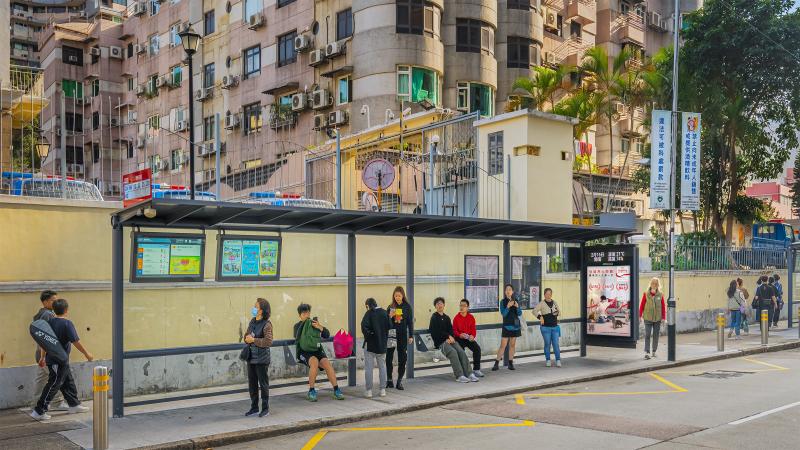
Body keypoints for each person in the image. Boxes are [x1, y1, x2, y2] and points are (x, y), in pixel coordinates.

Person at [31, 299, 93, 421]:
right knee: (54, 384)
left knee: (68, 381)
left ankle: (74, 405)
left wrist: (43, 357)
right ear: (66, 310)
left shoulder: (49, 323)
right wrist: (87, 354)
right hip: (58, 361)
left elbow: (44, 343)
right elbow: (76, 341)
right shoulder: (67, 324)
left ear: (53, 310)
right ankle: (39, 411)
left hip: (57, 360)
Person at [293, 304, 344, 402]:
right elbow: (297, 336)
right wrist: (306, 326)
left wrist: (320, 327)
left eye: (307, 313)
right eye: (303, 313)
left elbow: (326, 334)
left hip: (317, 350)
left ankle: (336, 389)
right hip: (304, 351)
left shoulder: (314, 323)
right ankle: (311, 390)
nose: (306, 315)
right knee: (314, 362)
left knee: (327, 363)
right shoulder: (297, 326)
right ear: (300, 315)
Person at [32, 290, 67, 411]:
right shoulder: (48, 315)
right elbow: (49, 336)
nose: (56, 302)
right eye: (53, 300)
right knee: (56, 378)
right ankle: (57, 402)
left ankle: (35, 403)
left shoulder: (41, 313)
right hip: (48, 353)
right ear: (45, 302)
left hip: (40, 351)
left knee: (41, 379)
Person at [429, 297, 477, 383]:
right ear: (435, 306)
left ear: (444, 305)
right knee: (453, 352)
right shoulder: (434, 317)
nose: (440, 305)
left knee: (461, 351)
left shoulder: (446, 317)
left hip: (451, 340)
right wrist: (447, 337)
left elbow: (451, 330)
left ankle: (469, 373)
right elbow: (435, 332)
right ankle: (459, 375)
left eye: (441, 303)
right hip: (441, 343)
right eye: (437, 304)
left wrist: (451, 337)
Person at [244, 298, 273, 417]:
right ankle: (254, 407)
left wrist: (253, 340)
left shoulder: (267, 324)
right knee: (252, 384)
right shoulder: (252, 321)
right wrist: (246, 338)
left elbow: (268, 341)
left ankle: (265, 409)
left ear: (261, 310)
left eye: (256, 307)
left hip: (262, 359)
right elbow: (247, 335)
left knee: (263, 384)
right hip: (251, 357)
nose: (254, 308)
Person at [386, 286, 413, 390]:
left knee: (403, 358)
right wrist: (390, 316)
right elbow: (386, 322)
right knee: (389, 356)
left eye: (399, 296)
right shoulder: (391, 306)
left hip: (402, 334)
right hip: (392, 333)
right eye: (395, 296)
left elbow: (410, 322)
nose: (397, 297)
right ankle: (389, 380)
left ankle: (399, 381)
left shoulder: (407, 307)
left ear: (403, 296)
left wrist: (411, 335)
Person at [361, 297, 389, 398]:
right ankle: (382, 390)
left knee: (369, 368)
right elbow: (390, 326)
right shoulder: (384, 312)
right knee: (382, 367)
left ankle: (369, 391)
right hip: (382, 344)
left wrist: (370, 335)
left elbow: (363, 327)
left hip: (370, 345)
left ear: (367, 305)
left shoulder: (369, 313)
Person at [492, 284, 522, 371]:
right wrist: (508, 306)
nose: (508, 291)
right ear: (505, 292)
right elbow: (504, 314)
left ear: (512, 291)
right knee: (503, 345)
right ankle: (496, 363)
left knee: (512, 345)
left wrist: (517, 307)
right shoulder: (502, 302)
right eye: (506, 290)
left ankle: (510, 363)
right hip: (506, 326)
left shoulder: (516, 300)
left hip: (515, 326)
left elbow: (519, 313)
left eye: (510, 289)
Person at [452, 298, 483, 378]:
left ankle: (476, 369)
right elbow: (454, 331)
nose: (461, 307)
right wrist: (460, 335)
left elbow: (473, 329)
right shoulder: (456, 318)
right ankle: (463, 371)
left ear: (468, 307)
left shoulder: (471, 317)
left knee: (477, 349)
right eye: (460, 305)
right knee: (461, 352)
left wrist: (472, 336)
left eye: (464, 306)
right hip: (459, 338)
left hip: (468, 338)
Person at [533, 288, 561, 367]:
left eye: (550, 294)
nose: (548, 295)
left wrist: (556, 313)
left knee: (556, 344)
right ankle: (548, 360)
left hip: (555, 327)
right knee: (547, 344)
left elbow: (559, 312)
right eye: (547, 294)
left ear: (551, 294)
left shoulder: (554, 302)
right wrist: (540, 317)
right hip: (545, 328)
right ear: (544, 294)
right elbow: (534, 311)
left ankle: (558, 360)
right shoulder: (541, 303)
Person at [639, 277, 665, 360]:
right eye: (653, 283)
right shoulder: (646, 294)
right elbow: (642, 305)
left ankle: (654, 351)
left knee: (656, 335)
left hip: (657, 318)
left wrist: (663, 317)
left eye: (656, 284)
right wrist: (639, 316)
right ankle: (647, 352)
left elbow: (663, 307)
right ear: (650, 284)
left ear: (658, 285)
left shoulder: (660, 295)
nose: (654, 285)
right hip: (648, 317)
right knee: (647, 334)